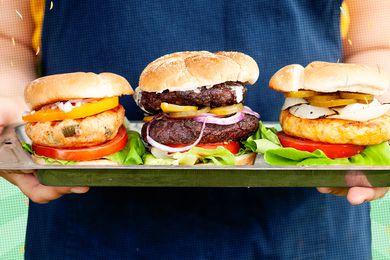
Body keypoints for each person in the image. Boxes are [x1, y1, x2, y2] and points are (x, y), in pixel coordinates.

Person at [0, 0, 389, 258]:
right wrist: (8, 100)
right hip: (85, 224)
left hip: (307, 225)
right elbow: (7, 36)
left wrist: (376, 113)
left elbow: (378, 42)